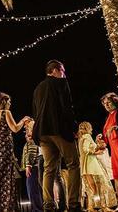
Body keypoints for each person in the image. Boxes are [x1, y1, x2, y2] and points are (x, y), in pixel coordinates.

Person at [31, 60, 80, 212]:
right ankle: (73, 205)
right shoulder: (61, 83)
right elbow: (67, 107)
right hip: (59, 129)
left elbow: (35, 111)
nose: (64, 74)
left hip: (42, 133)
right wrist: (74, 127)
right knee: (73, 164)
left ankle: (48, 205)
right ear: (55, 70)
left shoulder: (38, 88)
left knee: (49, 169)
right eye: (62, 71)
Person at [78, 122, 117, 212]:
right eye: (90, 127)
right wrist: (96, 152)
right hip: (92, 165)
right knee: (102, 186)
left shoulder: (82, 138)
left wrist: (96, 143)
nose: (91, 129)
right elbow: (86, 149)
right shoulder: (87, 136)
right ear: (88, 128)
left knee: (91, 188)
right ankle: (103, 207)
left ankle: (92, 207)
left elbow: (87, 148)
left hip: (86, 166)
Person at [21, 120, 43, 212]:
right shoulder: (34, 138)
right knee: (35, 189)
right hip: (36, 166)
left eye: (27, 129)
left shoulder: (32, 139)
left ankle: (37, 209)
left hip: (34, 166)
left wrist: (28, 165)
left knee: (33, 189)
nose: (26, 133)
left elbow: (32, 151)